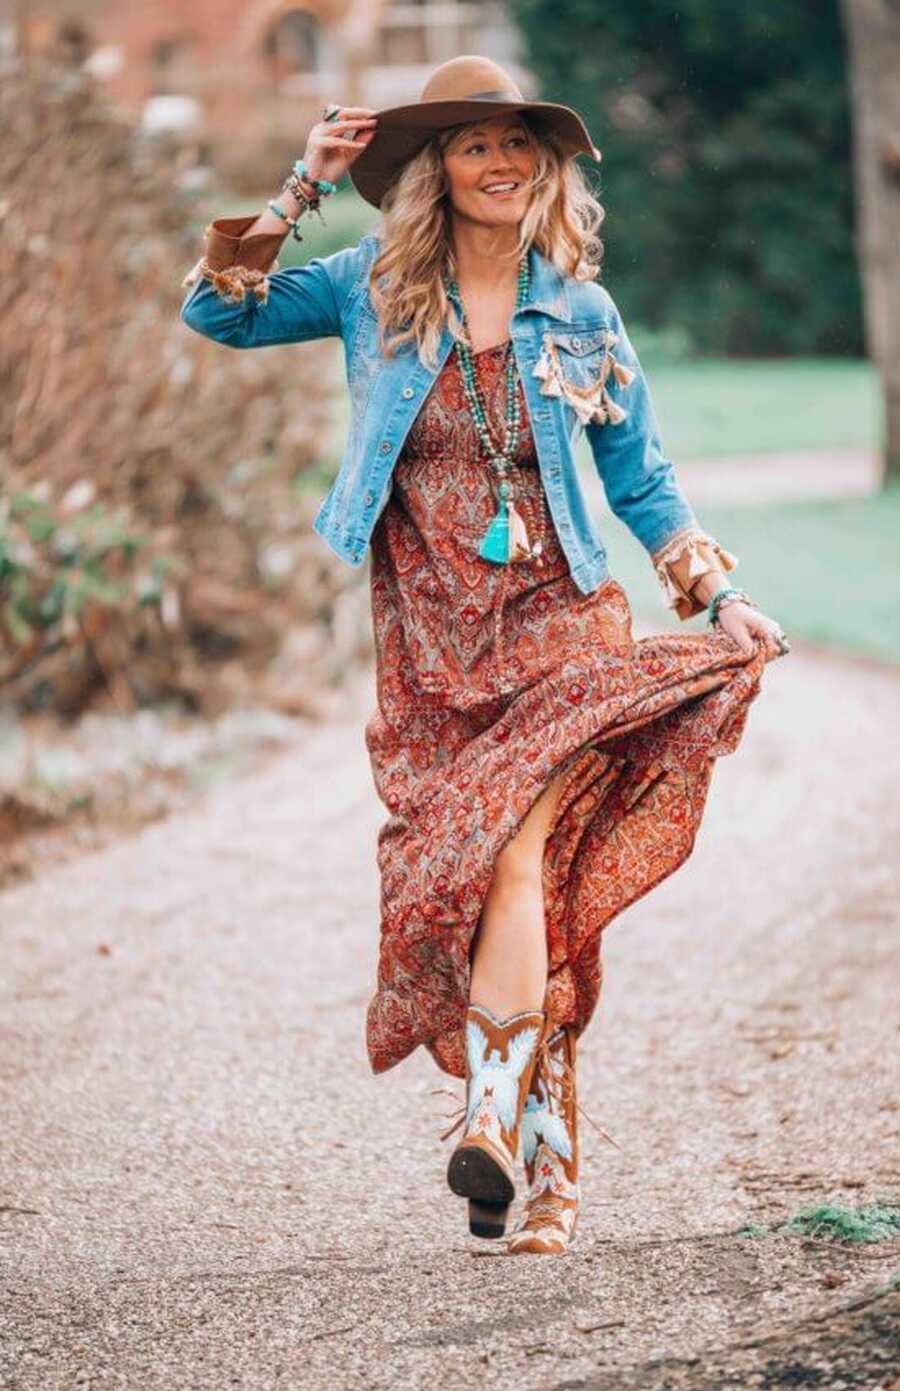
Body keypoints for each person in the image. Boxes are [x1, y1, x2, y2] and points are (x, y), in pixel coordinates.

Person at [180, 54, 789, 1257]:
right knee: (490, 889)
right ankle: (552, 1165)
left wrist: (714, 590)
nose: (501, 162)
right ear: (433, 172)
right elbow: (217, 310)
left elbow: (641, 480)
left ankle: (491, 1122)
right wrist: (303, 181)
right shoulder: (371, 289)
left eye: (518, 142)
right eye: (472, 145)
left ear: (544, 164)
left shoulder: (583, 311)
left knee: (518, 853)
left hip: (562, 618)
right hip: (430, 638)